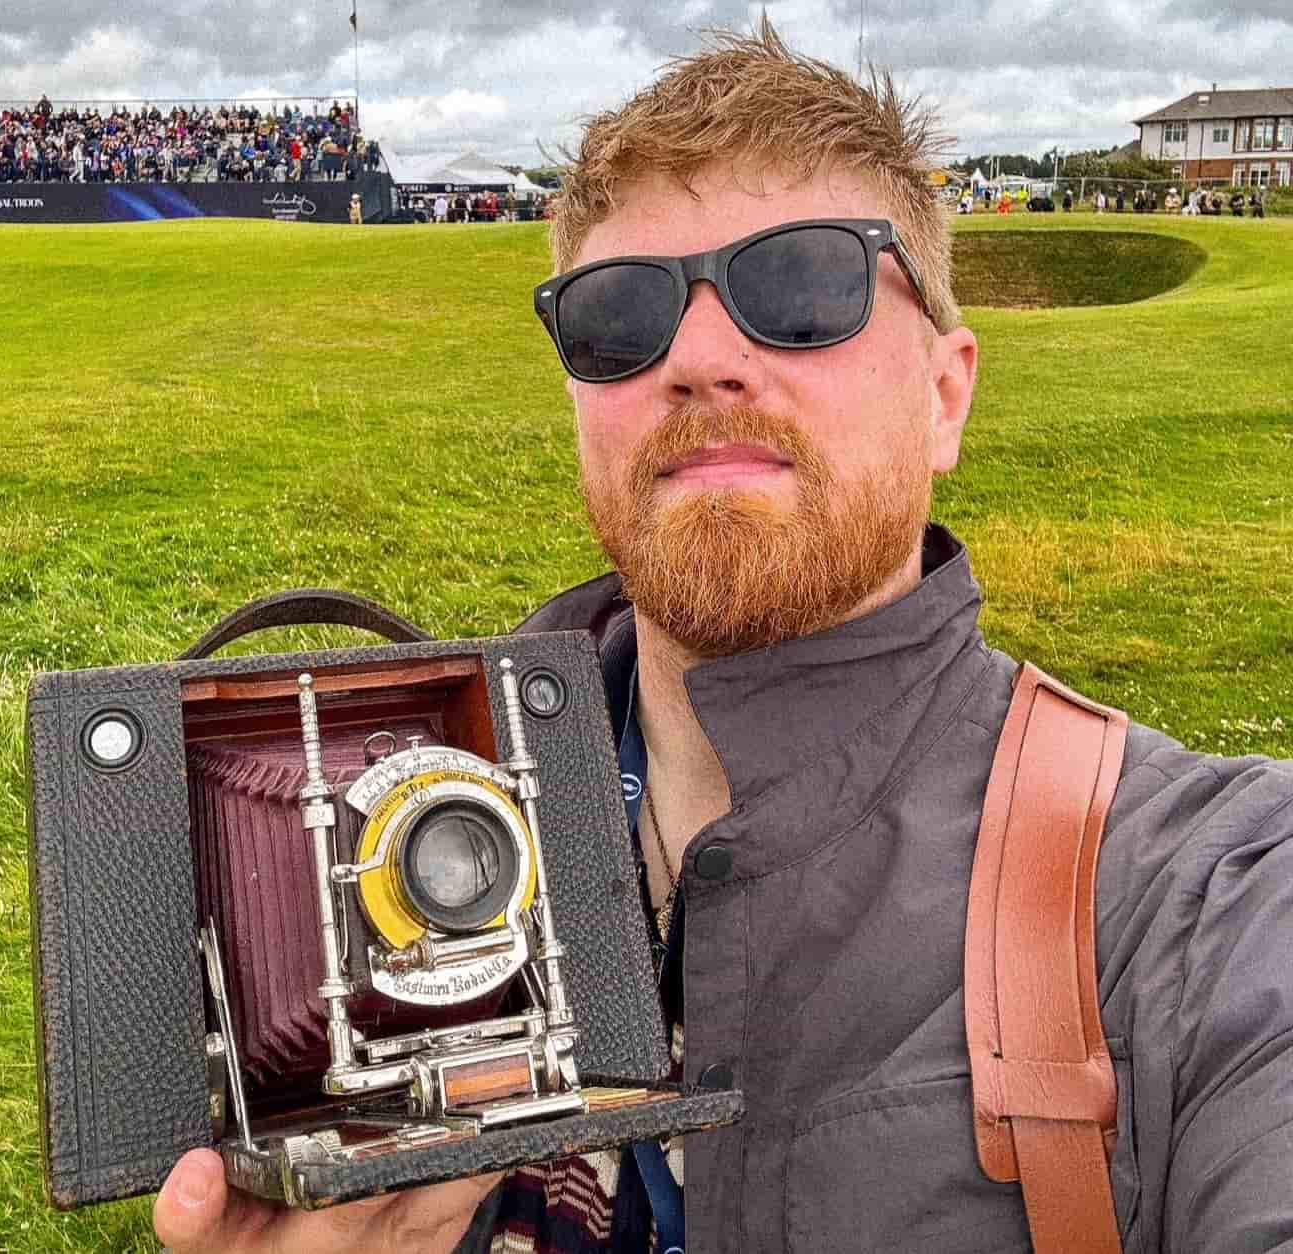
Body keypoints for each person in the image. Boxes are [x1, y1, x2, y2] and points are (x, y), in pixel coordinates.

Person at [155, 25, 1293, 1254]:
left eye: (802, 288)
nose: (699, 359)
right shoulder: (387, 839)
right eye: (618, 315)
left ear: (946, 391)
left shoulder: (1208, 902)